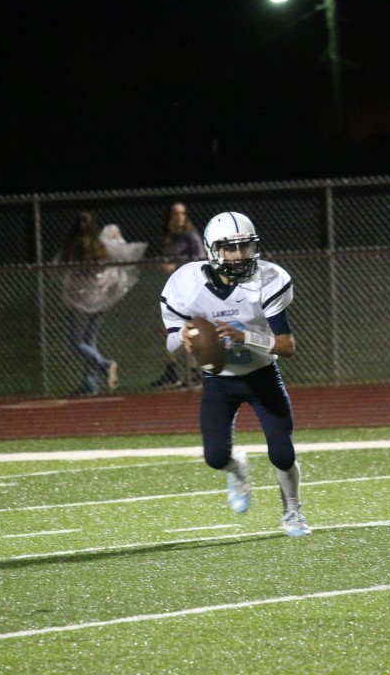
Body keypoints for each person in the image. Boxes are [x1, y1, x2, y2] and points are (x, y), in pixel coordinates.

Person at [158, 211, 311, 536]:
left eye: (245, 246)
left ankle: (293, 510)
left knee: (283, 454)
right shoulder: (187, 284)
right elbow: (171, 341)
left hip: (262, 375)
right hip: (220, 380)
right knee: (215, 457)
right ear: (213, 250)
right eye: (230, 248)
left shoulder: (268, 280)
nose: (239, 255)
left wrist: (245, 337)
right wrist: (185, 336)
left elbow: (287, 346)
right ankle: (237, 467)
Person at [57, 211, 145, 396]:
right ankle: (91, 384)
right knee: (90, 341)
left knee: (77, 341)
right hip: (102, 298)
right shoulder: (101, 246)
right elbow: (122, 256)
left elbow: (63, 266)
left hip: (82, 299)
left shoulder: (74, 246)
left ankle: (104, 364)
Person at [150, 202, 207, 390]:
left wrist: (175, 268)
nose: (179, 217)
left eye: (182, 213)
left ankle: (194, 374)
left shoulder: (191, 236)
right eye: (175, 214)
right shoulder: (170, 238)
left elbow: (199, 261)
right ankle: (174, 371)